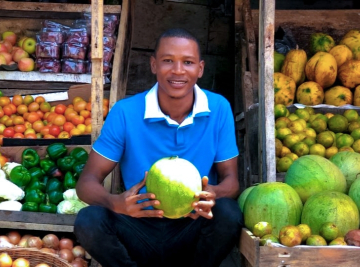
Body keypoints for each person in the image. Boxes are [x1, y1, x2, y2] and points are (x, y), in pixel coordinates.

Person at [74, 28, 243, 267]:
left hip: (192, 226)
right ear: (154, 65)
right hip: (138, 226)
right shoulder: (126, 112)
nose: (177, 70)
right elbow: (86, 183)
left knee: (228, 212)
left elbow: (231, 182)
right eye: (167, 61)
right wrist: (116, 203)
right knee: (89, 220)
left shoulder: (219, 108)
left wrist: (213, 194)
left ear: (200, 68)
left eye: (188, 62)